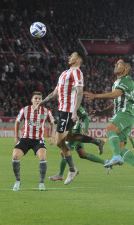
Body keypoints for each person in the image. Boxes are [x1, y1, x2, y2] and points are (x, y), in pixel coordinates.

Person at [84, 59, 134, 184]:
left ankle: (116, 157)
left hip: (125, 113)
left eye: (119, 63)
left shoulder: (127, 80)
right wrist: (101, 112)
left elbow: (115, 95)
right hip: (126, 116)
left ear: (126, 68)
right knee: (119, 148)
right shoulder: (117, 82)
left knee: (110, 128)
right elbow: (115, 102)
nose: (115, 64)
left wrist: (95, 95)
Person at [36, 51, 88, 185]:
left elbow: (80, 91)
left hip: (68, 111)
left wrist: (75, 111)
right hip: (62, 111)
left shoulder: (76, 72)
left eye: (73, 56)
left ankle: (72, 169)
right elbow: (54, 93)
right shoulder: (65, 73)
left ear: (79, 60)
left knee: (60, 142)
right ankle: (72, 169)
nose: (69, 57)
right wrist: (41, 104)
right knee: (62, 142)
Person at [49, 105, 109, 181]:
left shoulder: (76, 106)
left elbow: (86, 117)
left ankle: (61, 174)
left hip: (75, 132)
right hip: (71, 132)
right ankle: (105, 162)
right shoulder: (65, 106)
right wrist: (54, 121)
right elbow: (64, 120)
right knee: (82, 154)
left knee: (64, 152)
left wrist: (86, 130)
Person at [12, 91, 55, 191]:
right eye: (35, 98)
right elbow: (17, 122)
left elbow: (52, 123)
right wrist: (16, 136)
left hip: (38, 140)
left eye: (39, 99)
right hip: (25, 139)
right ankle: (18, 180)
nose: (37, 100)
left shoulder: (46, 111)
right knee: (15, 155)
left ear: (42, 100)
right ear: (32, 100)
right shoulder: (25, 110)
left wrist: (51, 136)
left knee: (43, 156)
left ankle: (41, 183)